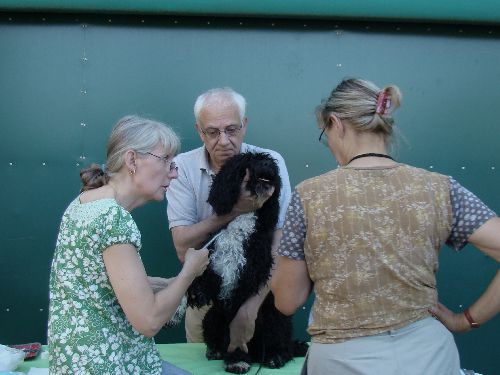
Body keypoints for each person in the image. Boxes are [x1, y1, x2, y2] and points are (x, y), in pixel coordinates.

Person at [271, 78, 500, 375]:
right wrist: (465, 321)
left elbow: (288, 301)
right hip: (429, 357)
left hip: (341, 359)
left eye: (325, 135)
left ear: (335, 123)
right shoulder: (439, 188)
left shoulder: (309, 196)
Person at [48, 115, 209, 374]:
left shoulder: (84, 202)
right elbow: (149, 320)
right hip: (109, 365)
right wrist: (189, 272)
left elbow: (103, 284)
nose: (175, 172)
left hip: (76, 363)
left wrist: (164, 285)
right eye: (166, 160)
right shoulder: (114, 219)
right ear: (132, 160)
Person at [166, 87, 292, 352]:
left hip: (259, 295)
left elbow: (280, 245)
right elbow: (182, 248)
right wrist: (236, 210)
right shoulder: (182, 167)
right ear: (200, 131)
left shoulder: (271, 164)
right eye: (212, 132)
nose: (223, 141)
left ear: (244, 125)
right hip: (206, 297)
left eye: (232, 130)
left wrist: (251, 307)